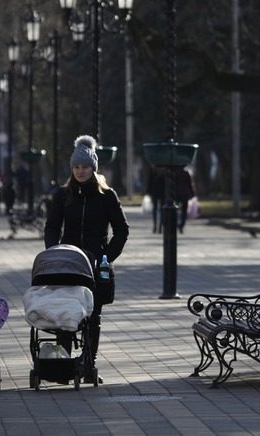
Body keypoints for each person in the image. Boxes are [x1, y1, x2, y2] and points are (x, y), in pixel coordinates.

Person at [44, 135, 129, 384]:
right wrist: (54, 251)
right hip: (68, 262)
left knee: (93, 314)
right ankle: (64, 363)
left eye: (85, 166)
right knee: (66, 313)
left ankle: (89, 362)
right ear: (72, 169)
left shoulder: (107, 195)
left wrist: (106, 256)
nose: (81, 171)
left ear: (94, 168)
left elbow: (122, 230)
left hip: (95, 263)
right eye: (77, 167)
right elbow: (51, 227)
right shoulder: (62, 195)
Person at [173, 166, 196, 233]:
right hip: (184, 195)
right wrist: (192, 194)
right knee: (184, 210)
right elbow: (190, 184)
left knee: (175, 209)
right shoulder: (186, 173)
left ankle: (177, 222)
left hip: (176, 196)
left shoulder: (174, 173)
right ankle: (181, 225)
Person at [146, 166, 165, 233]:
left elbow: (150, 180)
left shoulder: (153, 168)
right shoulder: (165, 168)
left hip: (154, 191)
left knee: (155, 208)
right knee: (162, 209)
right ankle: (160, 226)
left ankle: (155, 225)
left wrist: (148, 191)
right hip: (163, 191)